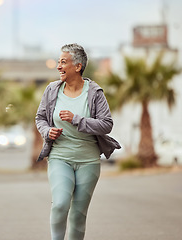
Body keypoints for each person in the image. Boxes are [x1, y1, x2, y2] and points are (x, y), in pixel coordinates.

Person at [35, 43, 120, 240]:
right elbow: (40, 118)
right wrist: (48, 131)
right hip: (59, 157)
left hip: (88, 160)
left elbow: (106, 124)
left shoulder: (95, 93)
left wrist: (76, 119)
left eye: (63, 62)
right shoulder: (52, 90)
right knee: (61, 204)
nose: (58, 66)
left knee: (78, 215)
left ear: (78, 66)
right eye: (58, 62)